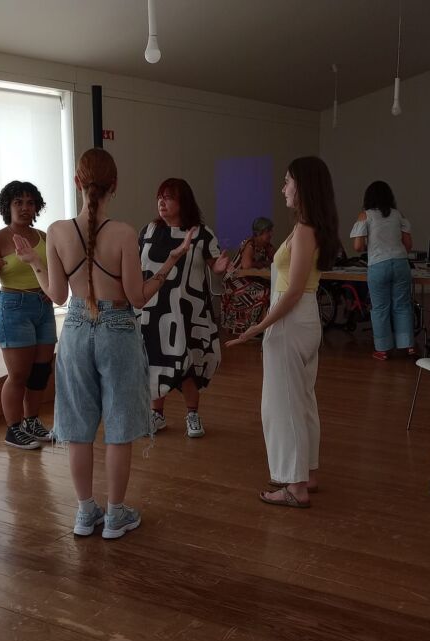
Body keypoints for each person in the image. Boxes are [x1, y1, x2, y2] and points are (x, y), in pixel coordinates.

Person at [18, 148, 195, 539]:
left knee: (77, 428)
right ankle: (115, 515)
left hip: (76, 330)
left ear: (77, 182)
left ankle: (85, 513)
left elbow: (57, 296)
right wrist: (170, 262)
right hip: (117, 331)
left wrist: (34, 261)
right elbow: (138, 298)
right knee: (119, 426)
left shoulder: (57, 232)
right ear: (115, 185)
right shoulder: (124, 233)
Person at [227, 157, 340, 508]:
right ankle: (306, 473)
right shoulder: (307, 227)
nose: (283, 188)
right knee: (301, 400)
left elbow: (293, 292)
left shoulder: (305, 230)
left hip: (292, 320)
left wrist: (258, 327)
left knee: (283, 404)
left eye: (288, 181)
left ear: (303, 186)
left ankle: (295, 485)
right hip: (300, 318)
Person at [138, 179, 222, 438]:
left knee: (188, 364)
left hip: (188, 311)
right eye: (159, 197)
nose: (162, 202)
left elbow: (216, 266)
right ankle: (157, 415)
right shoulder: (150, 231)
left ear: (183, 201)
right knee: (155, 361)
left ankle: (192, 414)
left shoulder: (202, 234)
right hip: (154, 310)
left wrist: (221, 267)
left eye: (169, 197)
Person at [0, 180, 56, 450]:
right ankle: (13, 429)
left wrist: (51, 289)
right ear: (7, 206)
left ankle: (31, 421)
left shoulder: (44, 237)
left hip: (43, 307)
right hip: (13, 308)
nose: (25, 208)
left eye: (30, 203)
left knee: (40, 372)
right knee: (19, 374)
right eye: (18, 202)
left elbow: (55, 272)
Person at [350, 181, 415, 360]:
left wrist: (370, 246)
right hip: (401, 263)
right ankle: (408, 345)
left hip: (378, 264)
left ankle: (382, 350)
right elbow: (408, 245)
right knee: (402, 305)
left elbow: (357, 246)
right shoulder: (398, 214)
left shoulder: (365, 215)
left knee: (380, 308)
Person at [216, 216, 274, 336]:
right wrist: (263, 263)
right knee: (263, 292)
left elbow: (276, 260)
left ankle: (261, 328)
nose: (270, 234)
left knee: (271, 289)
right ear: (259, 232)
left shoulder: (267, 246)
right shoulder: (250, 244)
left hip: (249, 278)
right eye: (268, 231)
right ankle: (252, 329)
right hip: (235, 279)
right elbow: (246, 266)